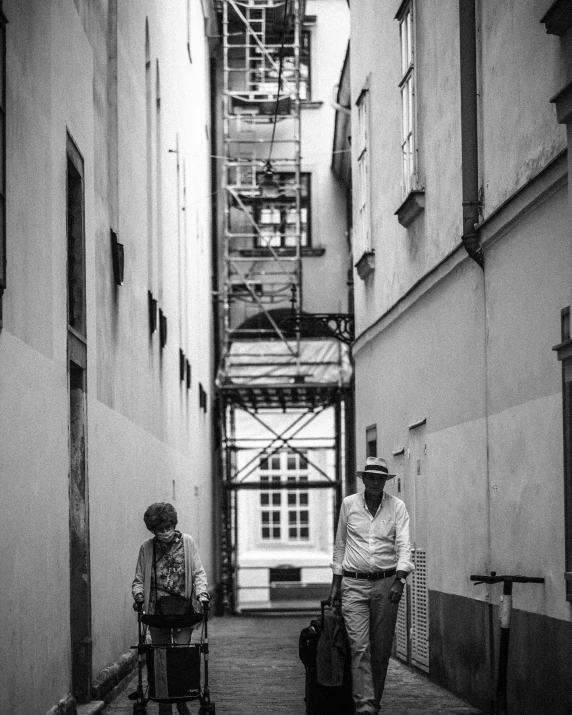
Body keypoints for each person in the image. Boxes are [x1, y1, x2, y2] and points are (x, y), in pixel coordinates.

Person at [329, 456, 414, 715]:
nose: (376, 482)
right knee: (359, 646)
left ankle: (373, 704)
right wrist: (336, 584)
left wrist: (400, 580)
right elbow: (340, 545)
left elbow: (403, 545)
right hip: (353, 584)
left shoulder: (397, 507)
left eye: (380, 478)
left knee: (380, 649)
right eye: (371, 477)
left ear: (385, 481)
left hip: (387, 584)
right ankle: (364, 707)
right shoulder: (349, 505)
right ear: (363, 479)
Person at [132, 502, 209, 715]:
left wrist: (202, 595)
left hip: (184, 610)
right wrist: (138, 595)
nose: (165, 532)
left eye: (168, 527)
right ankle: (165, 704)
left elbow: (198, 573)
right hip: (157, 613)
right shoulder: (147, 548)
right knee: (161, 658)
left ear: (174, 524)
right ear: (152, 530)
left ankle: (181, 699)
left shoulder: (187, 543)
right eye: (160, 529)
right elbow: (139, 579)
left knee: (181, 656)